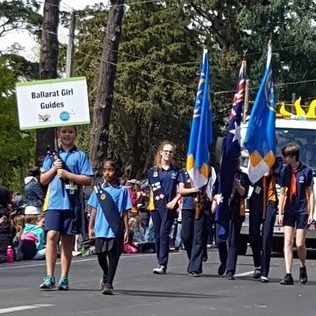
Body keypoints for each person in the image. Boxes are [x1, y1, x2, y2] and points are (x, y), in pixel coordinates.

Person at [39, 126, 93, 290]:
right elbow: (43, 179)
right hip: (54, 202)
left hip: (72, 203)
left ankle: (64, 277)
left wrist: (68, 175)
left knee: (68, 239)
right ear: (58, 134)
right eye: (63, 132)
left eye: (70, 132)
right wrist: (54, 169)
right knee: (51, 235)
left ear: (75, 134)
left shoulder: (80, 155)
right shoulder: (51, 156)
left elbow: (88, 179)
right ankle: (49, 275)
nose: (67, 135)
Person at [88, 158, 130, 295]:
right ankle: (106, 273)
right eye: (105, 170)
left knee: (113, 256)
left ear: (115, 172)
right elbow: (94, 208)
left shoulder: (122, 190)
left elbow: (125, 211)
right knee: (100, 254)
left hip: (114, 228)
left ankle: (109, 283)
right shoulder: (98, 190)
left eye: (110, 170)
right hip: (100, 227)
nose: (107, 173)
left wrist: (126, 229)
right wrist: (91, 227)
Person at [278, 143, 314, 285]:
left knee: (299, 243)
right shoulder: (285, 171)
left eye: (286, 157)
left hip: (302, 209)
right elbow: (282, 192)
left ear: (293, 157)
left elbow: (310, 193)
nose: (284, 159)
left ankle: (302, 266)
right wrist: (280, 212)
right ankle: (288, 274)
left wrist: (311, 212)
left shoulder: (306, 171)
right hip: (289, 209)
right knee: (288, 241)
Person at [148, 141, 181, 274]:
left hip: (170, 206)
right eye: (166, 151)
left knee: (164, 233)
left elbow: (181, 189)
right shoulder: (153, 171)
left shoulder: (177, 171)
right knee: (157, 235)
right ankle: (159, 261)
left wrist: (175, 201)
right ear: (161, 153)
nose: (168, 153)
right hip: (156, 207)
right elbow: (153, 188)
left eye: (170, 152)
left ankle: (163, 263)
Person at [248, 157, 283, 283]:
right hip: (256, 200)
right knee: (253, 236)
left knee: (266, 237)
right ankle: (257, 264)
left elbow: (269, 173)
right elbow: (251, 180)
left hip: (270, 202)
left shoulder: (277, 160)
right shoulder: (255, 159)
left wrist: (268, 161)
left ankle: (264, 271)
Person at [179, 166, 217, 276]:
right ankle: (194, 258)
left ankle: (195, 267)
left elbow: (213, 187)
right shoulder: (184, 171)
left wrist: (213, 201)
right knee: (185, 236)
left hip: (202, 206)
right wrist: (193, 190)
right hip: (187, 206)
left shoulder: (207, 170)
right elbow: (181, 190)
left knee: (198, 237)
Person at [224, 159, 250, 280]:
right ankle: (224, 262)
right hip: (223, 210)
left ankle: (230, 270)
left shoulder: (243, 176)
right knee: (220, 241)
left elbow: (244, 193)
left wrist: (237, 184)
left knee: (233, 241)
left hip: (236, 210)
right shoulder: (223, 174)